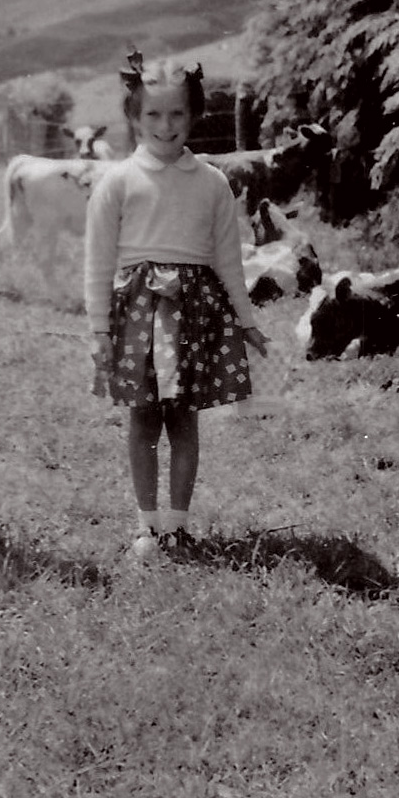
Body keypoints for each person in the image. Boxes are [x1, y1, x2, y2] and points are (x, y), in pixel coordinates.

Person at [84, 51, 269, 560]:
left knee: (184, 420)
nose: (165, 126)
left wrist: (246, 321)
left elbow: (229, 260)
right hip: (138, 317)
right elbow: (97, 263)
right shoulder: (117, 182)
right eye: (152, 115)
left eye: (177, 115)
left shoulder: (211, 182)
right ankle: (147, 525)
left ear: (194, 115)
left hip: (193, 316)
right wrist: (99, 330)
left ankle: (179, 525)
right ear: (133, 116)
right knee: (144, 419)